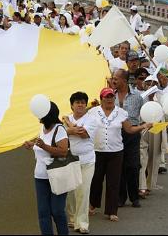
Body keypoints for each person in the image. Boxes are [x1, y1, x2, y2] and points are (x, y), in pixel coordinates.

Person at [88, 88, 151, 222]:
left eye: (111, 96)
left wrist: (143, 126)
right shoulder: (93, 112)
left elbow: (129, 129)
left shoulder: (121, 112)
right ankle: (92, 205)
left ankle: (111, 211)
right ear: (101, 99)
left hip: (116, 152)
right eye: (106, 97)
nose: (109, 99)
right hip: (98, 151)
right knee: (96, 180)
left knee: (113, 182)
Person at [24, 102, 69, 235]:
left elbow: (63, 151)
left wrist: (43, 146)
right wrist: (32, 145)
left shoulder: (59, 129)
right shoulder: (43, 129)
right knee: (43, 212)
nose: (39, 117)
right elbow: (42, 146)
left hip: (57, 176)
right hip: (40, 176)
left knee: (57, 211)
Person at [63, 92, 97, 235]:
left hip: (87, 160)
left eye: (83, 102)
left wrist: (69, 129)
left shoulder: (91, 119)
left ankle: (82, 223)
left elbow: (83, 134)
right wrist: (68, 129)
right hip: (70, 160)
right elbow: (59, 135)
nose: (80, 105)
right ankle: (72, 218)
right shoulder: (65, 118)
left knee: (83, 191)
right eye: (77, 102)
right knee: (70, 192)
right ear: (72, 105)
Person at [111, 69, 145, 209]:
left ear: (124, 81)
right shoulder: (110, 96)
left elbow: (143, 114)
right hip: (116, 133)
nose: (113, 81)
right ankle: (121, 198)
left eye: (115, 79)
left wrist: (142, 128)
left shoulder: (137, 96)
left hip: (132, 134)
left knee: (132, 165)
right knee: (119, 166)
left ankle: (134, 197)